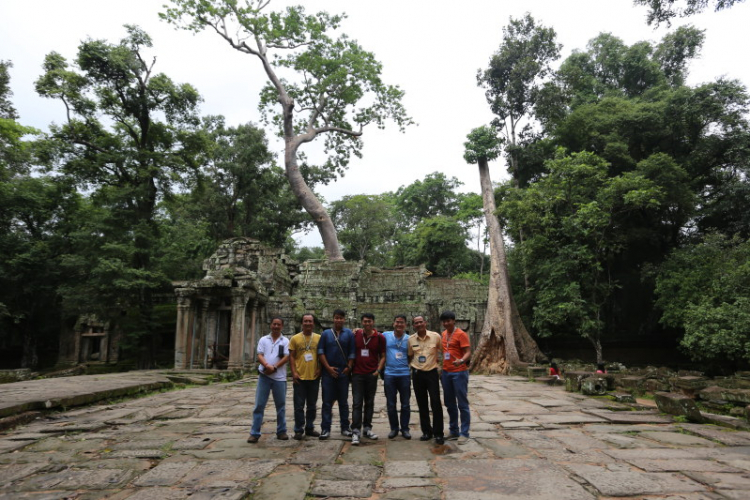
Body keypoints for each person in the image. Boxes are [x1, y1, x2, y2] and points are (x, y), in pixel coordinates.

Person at [248, 317, 290, 443]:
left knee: (281, 406)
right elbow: (260, 354)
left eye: (278, 324)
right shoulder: (263, 339)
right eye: (274, 324)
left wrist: (275, 367)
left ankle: (281, 431)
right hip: (264, 376)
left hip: (280, 378)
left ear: (282, 326)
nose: (276, 326)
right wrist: (267, 366)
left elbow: (287, 356)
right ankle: (255, 432)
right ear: (270, 325)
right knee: (259, 405)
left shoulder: (285, 341)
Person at [318, 309, 355, 440]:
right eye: (336, 318)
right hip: (328, 373)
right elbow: (321, 352)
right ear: (333, 319)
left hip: (343, 371)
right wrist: (327, 368)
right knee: (327, 402)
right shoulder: (326, 334)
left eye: (341, 318)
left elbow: (352, 352)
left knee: (343, 402)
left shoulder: (349, 334)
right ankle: (325, 428)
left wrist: (349, 367)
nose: (338, 320)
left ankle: (345, 427)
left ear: (344, 319)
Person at [350, 312, 385, 445]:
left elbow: (383, 355)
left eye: (369, 321)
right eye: (365, 321)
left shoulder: (379, 337)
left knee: (369, 402)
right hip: (358, 374)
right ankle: (355, 431)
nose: (367, 323)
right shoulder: (356, 334)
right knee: (357, 403)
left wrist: (378, 370)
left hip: (371, 374)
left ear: (373, 322)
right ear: (362, 323)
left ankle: (367, 428)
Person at [408, 315, 444, 444]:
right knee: (421, 403)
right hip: (417, 374)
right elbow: (410, 356)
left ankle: (439, 433)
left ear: (425, 322)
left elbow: (444, 350)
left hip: (432, 373)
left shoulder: (435, 336)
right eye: (416, 323)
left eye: (420, 322)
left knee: (436, 402)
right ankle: (426, 431)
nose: (419, 324)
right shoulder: (411, 340)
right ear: (413, 326)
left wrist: (443, 366)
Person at [288, 313, 321, 440]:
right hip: (299, 377)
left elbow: (321, 355)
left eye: (310, 321)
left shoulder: (318, 338)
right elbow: (291, 356)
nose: (308, 323)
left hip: (314, 376)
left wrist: (320, 368)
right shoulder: (295, 338)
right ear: (302, 323)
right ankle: (298, 429)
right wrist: (293, 372)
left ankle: (310, 427)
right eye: (305, 321)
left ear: (313, 323)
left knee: (312, 405)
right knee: (299, 405)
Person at [440, 310, 471, 445]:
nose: (446, 323)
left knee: (462, 403)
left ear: (454, 321)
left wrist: (461, 361)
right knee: (449, 403)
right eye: (444, 321)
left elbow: (468, 352)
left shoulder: (461, 334)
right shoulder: (443, 334)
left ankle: (464, 432)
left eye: (449, 321)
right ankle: (454, 430)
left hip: (459, 372)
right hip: (446, 372)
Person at [383, 315, 412, 440]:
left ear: (405, 325)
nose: (399, 324)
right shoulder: (385, 335)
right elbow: (370, 333)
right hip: (389, 374)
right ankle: (394, 428)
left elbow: (411, 355)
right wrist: (357, 330)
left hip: (404, 374)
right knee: (391, 403)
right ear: (393, 323)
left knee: (405, 403)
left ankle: (405, 429)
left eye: (402, 323)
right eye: (397, 322)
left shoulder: (409, 339)